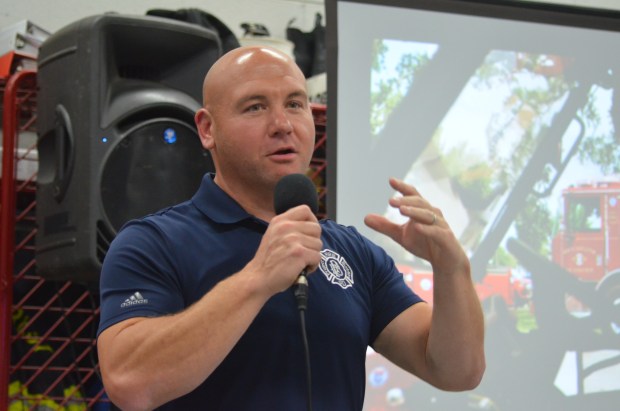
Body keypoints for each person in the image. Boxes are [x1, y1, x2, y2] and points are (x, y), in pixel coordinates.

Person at [96, 45, 485, 411]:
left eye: (295, 104)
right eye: (255, 107)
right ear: (207, 129)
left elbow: (456, 370)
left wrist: (452, 268)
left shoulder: (353, 252)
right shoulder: (153, 243)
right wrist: (258, 278)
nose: (282, 124)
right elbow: (130, 382)